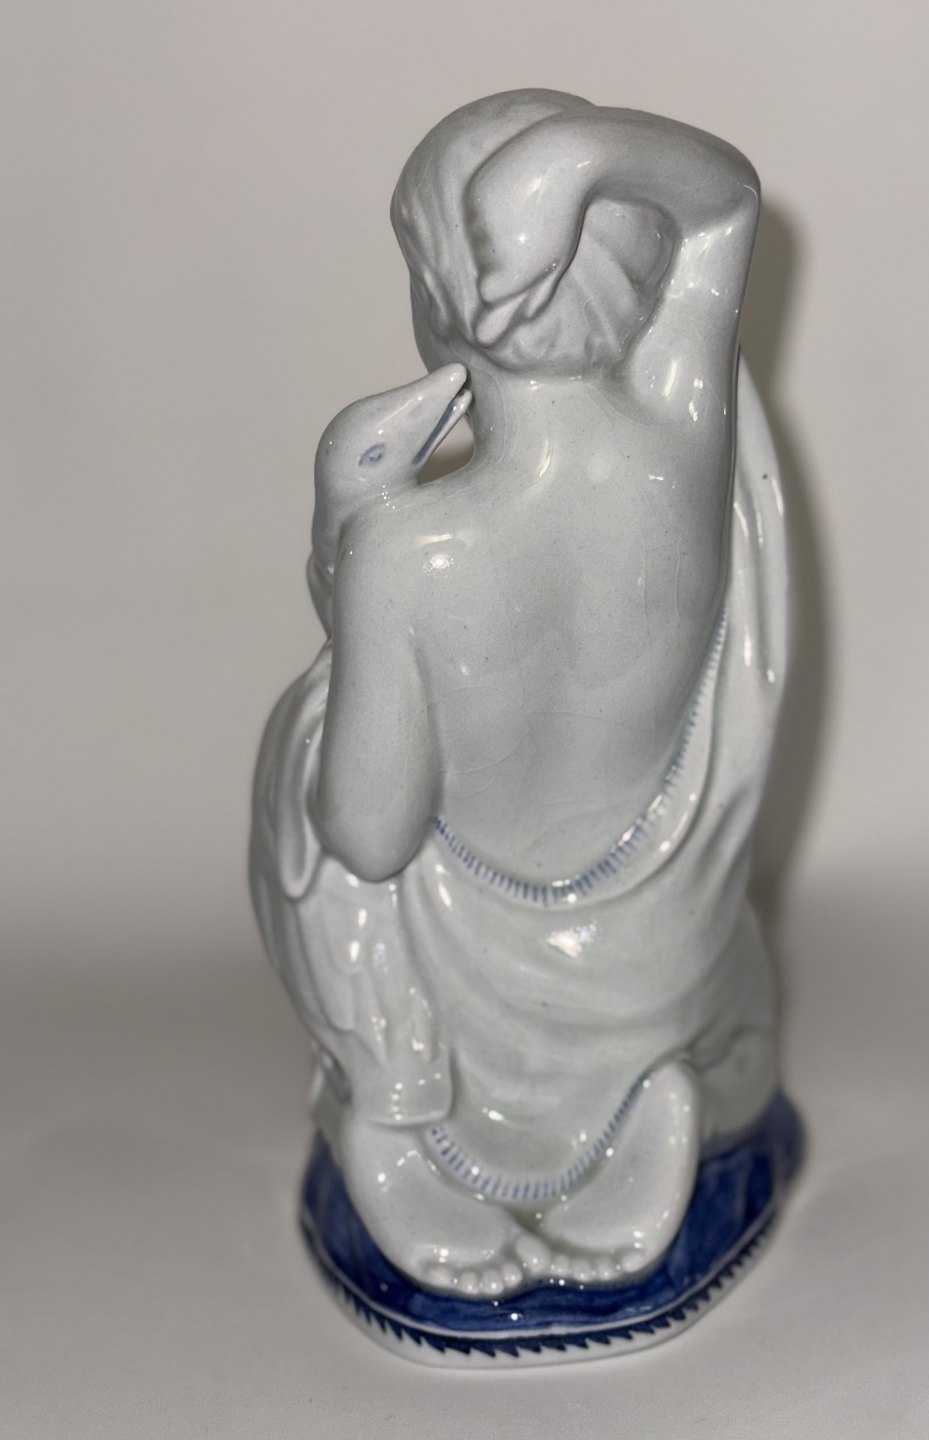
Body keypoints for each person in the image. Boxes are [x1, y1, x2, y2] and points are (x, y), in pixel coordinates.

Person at [254, 91, 787, 1297]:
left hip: (460, 968)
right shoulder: (682, 445)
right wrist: (573, 161)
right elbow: (725, 204)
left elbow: (371, 834)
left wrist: (341, 539)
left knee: (308, 739)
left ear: (438, 296)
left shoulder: (410, 553)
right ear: (634, 271)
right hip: (650, 946)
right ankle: (637, 1085)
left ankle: (400, 1106)